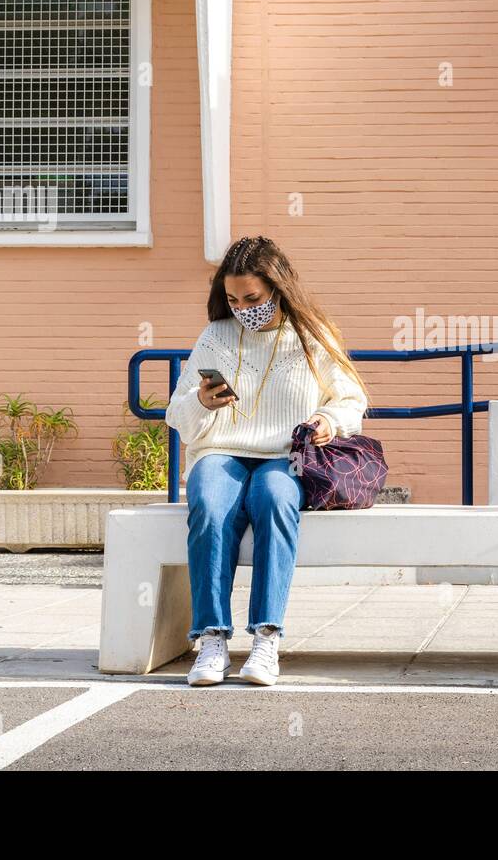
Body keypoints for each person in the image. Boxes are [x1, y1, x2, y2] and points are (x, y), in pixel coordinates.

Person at [165, 235, 370, 687]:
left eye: (253, 298)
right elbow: (177, 416)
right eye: (233, 299)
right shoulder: (216, 336)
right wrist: (201, 400)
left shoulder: (314, 336)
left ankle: (266, 636)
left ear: (278, 288)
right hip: (221, 449)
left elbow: (352, 399)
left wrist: (326, 419)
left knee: (276, 499)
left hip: (285, 454)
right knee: (210, 505)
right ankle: (213, 637)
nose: (243, 307)